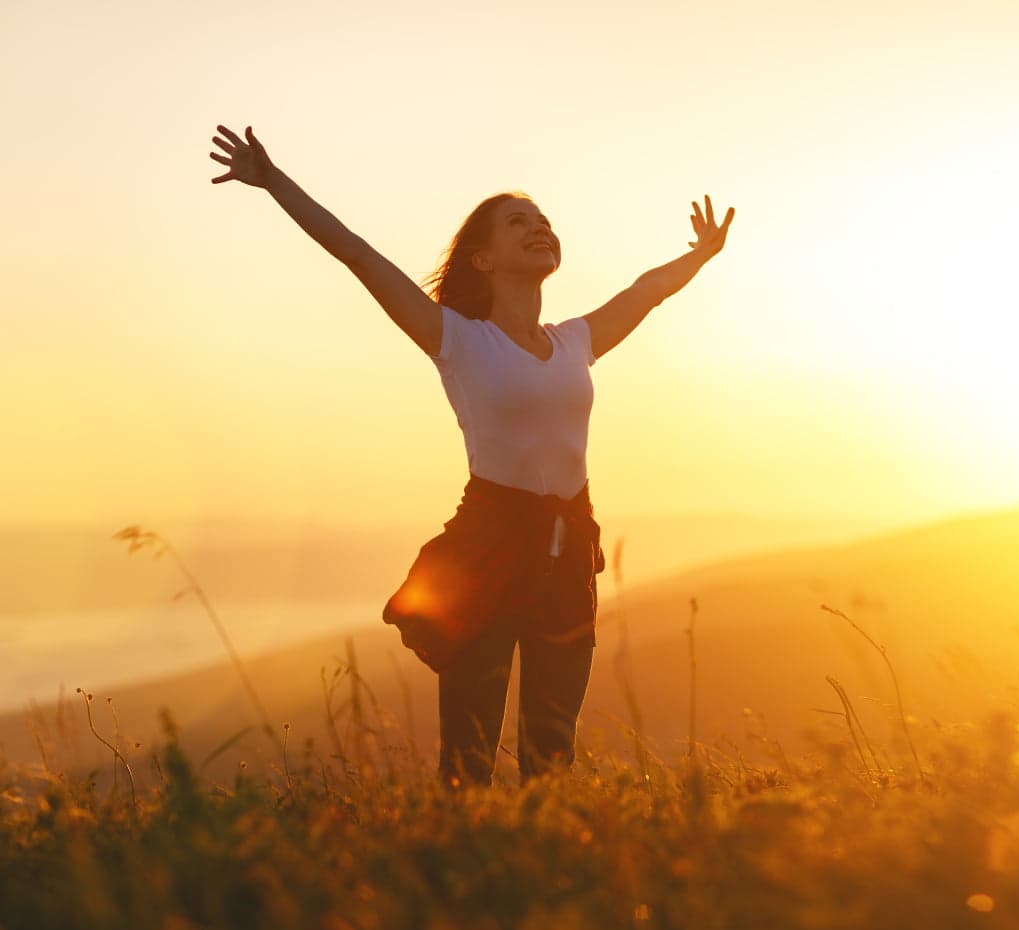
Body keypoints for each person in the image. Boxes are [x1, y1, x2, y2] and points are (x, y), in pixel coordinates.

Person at [208, 124, 734, 787]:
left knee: (552, 751)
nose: (539, 228)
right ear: (483, 259)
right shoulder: (454, 337)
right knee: (469, 755)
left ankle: (545, 865)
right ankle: (462, 866)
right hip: (487, 548)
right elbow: (358, 256)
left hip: (568, 550)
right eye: (518, 223)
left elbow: (646, 291)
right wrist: (274, 182)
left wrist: (702, 255)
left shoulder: (577, 341)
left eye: (543, 221)